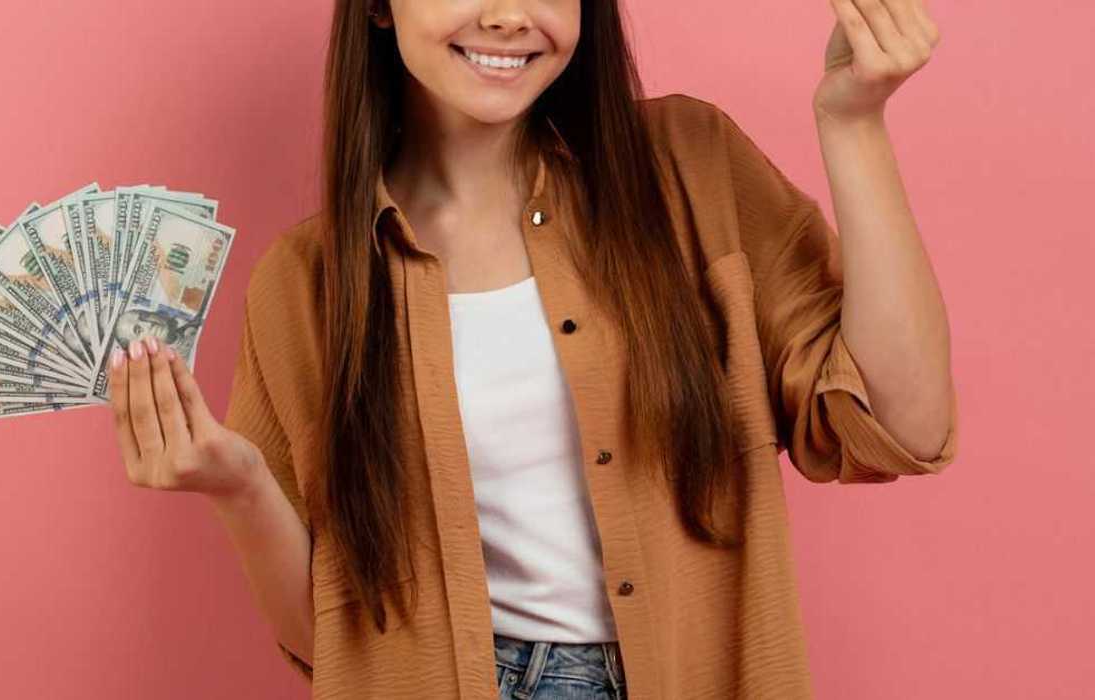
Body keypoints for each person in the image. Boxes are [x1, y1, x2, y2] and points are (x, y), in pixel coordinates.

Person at [105, 1, 958, 698]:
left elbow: (902, 425)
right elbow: (336, 646)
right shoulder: (303, 284)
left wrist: (852, 125)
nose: (511, 16)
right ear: (375, 7)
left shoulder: (689, 168)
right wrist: (241, 487)